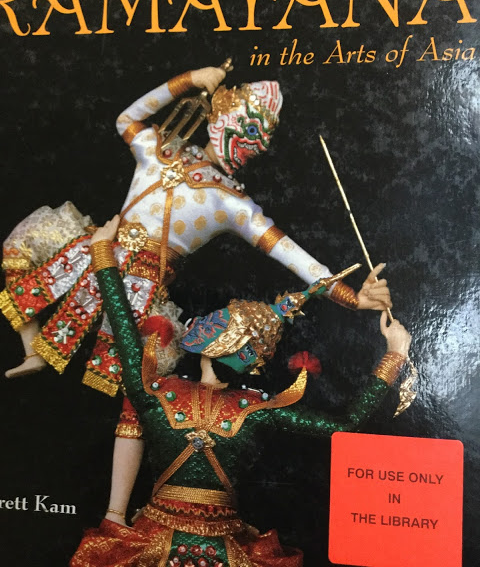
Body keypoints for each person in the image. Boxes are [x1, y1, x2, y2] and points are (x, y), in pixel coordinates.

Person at [1, 65, 391, 396]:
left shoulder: (233, 204)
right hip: (96, 247)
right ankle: (32, 348)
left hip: (144, 284)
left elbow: (292, 255)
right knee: (23, 245)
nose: (252, 144)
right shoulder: (160, 149)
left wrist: (352, 298)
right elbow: (125, 119)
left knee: (141, 381)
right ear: (219, 116)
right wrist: (188, 80)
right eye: (247, 127)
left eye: (260, 138)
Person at [69, 219, 410, 567]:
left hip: (154, 542)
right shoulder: (259, 410)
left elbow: (124, 328)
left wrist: (103, 253)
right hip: (227, 552)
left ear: (211, 343)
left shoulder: (156, 392)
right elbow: (346, 423)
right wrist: (394, 355)